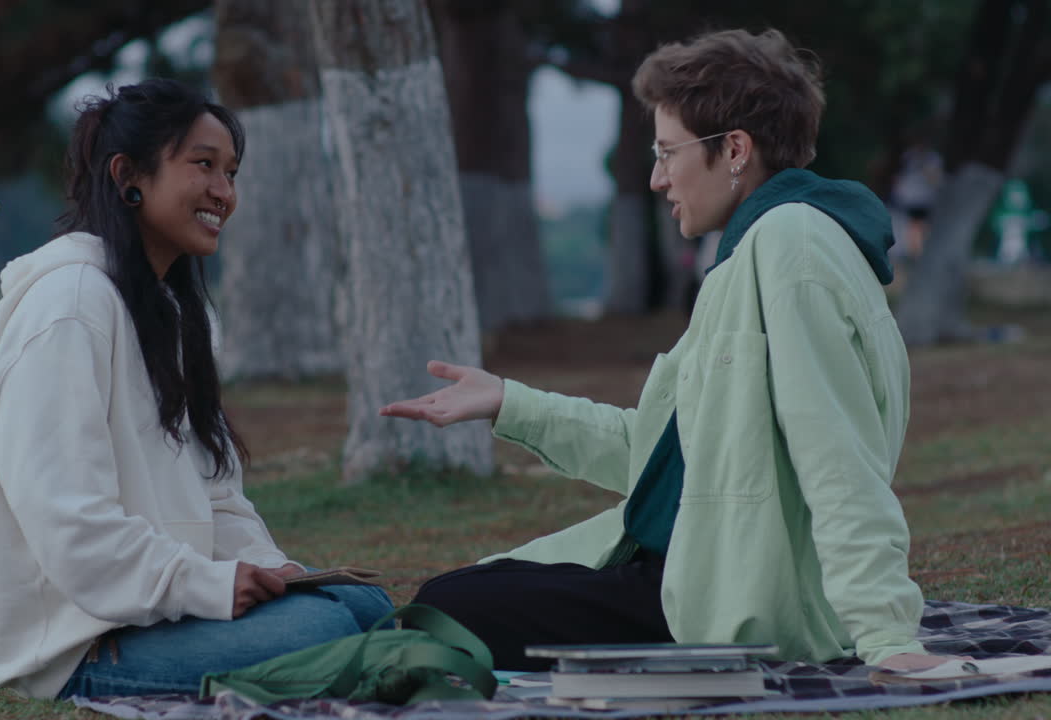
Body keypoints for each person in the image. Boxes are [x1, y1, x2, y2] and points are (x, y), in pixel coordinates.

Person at [382, 29, 948, 673]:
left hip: (733, 599)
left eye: (667, 152)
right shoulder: (758, 249)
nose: (656, 177)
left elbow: (837, 456)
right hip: (696, 561)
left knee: (448, 610)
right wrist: (509, 403)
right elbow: (665, 457)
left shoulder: (792, 244)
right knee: (453, 599)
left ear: (734, 149)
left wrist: (888, 639)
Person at [0, 79, 392, 700]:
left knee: (363, 604)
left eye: (231, 172)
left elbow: (216, 497)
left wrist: (268, 565)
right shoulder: (69, 308)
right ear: (128, 176)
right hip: (83, 643)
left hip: (161, 609)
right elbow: (71, 526)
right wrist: (207, 585)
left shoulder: (165, 310)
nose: (224, 192)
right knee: (327, 627)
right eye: (203, 166)